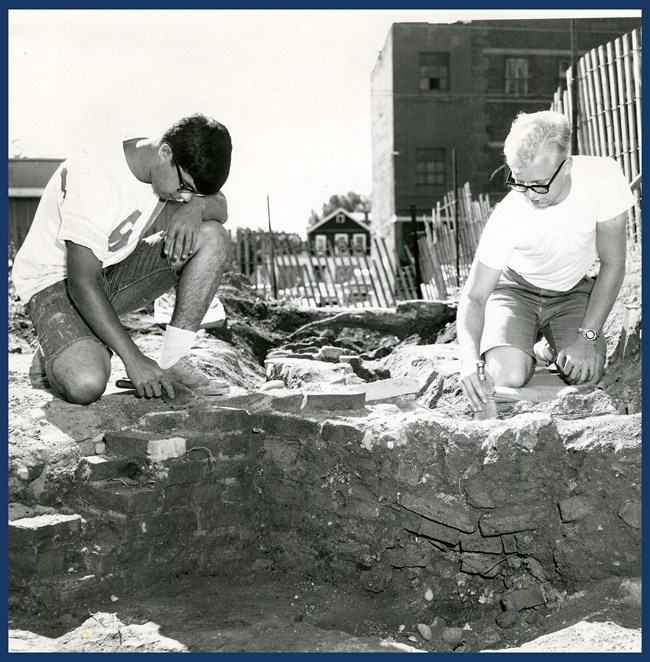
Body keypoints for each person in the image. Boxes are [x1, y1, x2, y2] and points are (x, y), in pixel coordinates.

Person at [12, 113, 233, 405]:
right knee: (86, 383)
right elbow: (82, 282)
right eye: (185, 189)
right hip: (55, 282)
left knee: (213, 235)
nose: (183, 198)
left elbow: (222, 207)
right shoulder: (95, 175)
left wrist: (199, 207)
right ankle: (53, 354)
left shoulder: (167, 169)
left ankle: (174, 359)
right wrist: (134, 359)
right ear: (165, 152)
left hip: (110, 271)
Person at [457, 110, 635, 415]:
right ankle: (522, 348)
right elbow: (474, 296)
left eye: (539, 184)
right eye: (520, 183)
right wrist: (467, 359)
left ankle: (542, 349)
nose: (530, 195)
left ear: (566, 165)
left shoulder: (603, 178)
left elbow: (613, 265)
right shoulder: (509, 213)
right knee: (507, 375)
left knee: (585, 373)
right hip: (515, 291)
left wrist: (587, 337)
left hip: (571, 291)